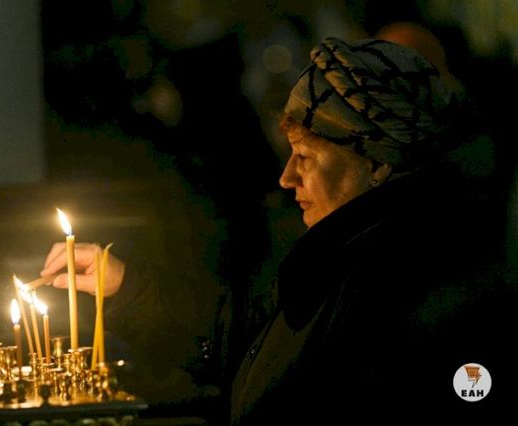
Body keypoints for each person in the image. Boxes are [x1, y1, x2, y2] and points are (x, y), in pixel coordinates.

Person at [41, 37, 516, 422]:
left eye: (305, 156)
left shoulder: (408, 283)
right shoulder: (338, 259)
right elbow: (254, 338)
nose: (287, 178)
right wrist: (125, 286)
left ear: (376, 163)